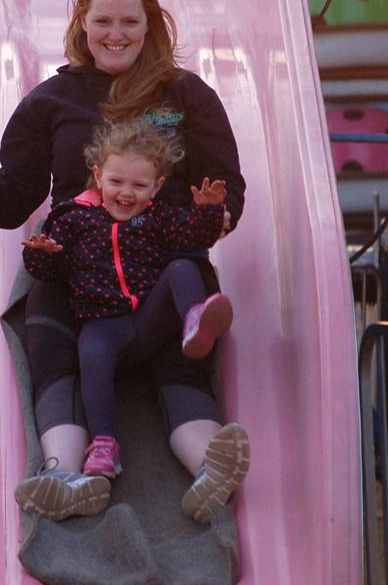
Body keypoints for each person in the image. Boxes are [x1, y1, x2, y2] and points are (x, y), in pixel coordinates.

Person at [0, 0, 249, 524]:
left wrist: (215, 216)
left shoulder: (185, 95)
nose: (116, 34)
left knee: (180, 361)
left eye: (129, 21)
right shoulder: (52, 101)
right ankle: (64, 472)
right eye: (103, 20)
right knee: (53, 343)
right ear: (83, 24)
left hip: (165, 264)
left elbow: (226, 185)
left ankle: (210, 469)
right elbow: (17, 196)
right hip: (77, 268)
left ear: (149, 23)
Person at [21, 119, 234, 485]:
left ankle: (195, 320)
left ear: (157, 186)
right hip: (104, 324)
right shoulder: (75, 218)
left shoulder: (158, 217)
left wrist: (209, 212)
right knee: (92, 357)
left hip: (150, 320)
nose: (126, 193)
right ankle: (104, 443)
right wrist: (43, 253)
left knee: (184, 267)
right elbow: (50, 271)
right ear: (98, 175)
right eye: (117, 182)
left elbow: (192, 238)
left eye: (139, 185)